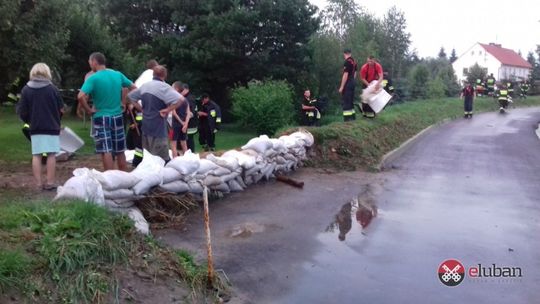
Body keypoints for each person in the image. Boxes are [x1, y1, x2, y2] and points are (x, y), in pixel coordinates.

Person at [78, 52, 136, 171]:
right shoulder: (117, 75)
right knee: (120, 149)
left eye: (90, 62)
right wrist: (125, 102)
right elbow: (134, 88)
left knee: (106, 150)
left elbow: (80, 96)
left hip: (101, 116)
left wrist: (89, 110)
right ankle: (123, 177)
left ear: (94, 61)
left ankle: (110, 178)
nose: (90, 65)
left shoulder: (93, 78)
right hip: (117, 116)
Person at [17, 63, 64, 190]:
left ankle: (38, 184)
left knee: (36, 154)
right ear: (47, 73)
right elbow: (61, 109)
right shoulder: (53, 89)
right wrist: (57, 120)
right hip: (52, 126)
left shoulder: (26, 89)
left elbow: (22, 111)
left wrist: (29, 121)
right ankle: (50, 182)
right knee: (51, 155)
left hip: (35, 126)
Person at [127, 66, 185, 162]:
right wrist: (167, 110)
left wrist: (141, 109)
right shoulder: (164, 87)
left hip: (145, 128)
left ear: (153, 74)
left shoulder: (145, 86)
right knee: (161, 159)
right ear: (165, 75)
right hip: (159, 129)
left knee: (148, 158)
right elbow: (181, 99)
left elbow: (130, 97)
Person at [170, 81, 192, 157]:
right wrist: (185, 124)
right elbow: (188, 113)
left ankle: (175, 161)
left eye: (172, 87)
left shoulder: (173, 99)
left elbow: (174, 113)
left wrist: (181, 122)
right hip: (183, 126)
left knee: (173, 144)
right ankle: (187, 159)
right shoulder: (185, 100)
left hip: (175, 125)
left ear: (176, 89)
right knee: (184, 143)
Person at [338, 49, 357, 121]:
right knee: (351, 101)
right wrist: (353, 81)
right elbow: (355, 73)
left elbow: (345, 74)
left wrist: (342, 87)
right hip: (352, 82)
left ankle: (347, 119)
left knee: (346, 101)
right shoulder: (354, 62)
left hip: (348, 83)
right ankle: (353, 118)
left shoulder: (347, 62)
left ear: (344, 54)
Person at [179, 83, 198, 152]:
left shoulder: (189, 99)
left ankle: (191, 154)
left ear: (186, 90)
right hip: (189, 124)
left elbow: (190, 113)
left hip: (190, 125)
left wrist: (183, 121)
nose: (180, 92)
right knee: (187, 140)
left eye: (182, 90)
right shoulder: (189, 97)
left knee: (188, 141)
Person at [125, 103, 143, 167]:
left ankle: (137, 162)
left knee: (139, 145)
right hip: (133, 127)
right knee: (129, 142)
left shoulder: (139, 102)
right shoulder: (130, 102)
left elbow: (142, 114)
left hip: (140, 127)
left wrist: (137, 123)